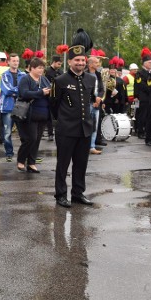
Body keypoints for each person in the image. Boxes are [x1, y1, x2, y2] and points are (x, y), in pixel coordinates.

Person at [52, 46, 96, 207]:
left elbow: (90, 100)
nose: (80, 62)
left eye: (83, 60)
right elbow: (54, 105)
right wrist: (64, 119)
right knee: (63, 164)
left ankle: (78, 193)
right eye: (77, 60)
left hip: (84, 128)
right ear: (69, 61)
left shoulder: (91, 79)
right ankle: (61, 195)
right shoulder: (60, 80)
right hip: (66, 129)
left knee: (81, 163)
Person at [16, 57, 51, 173]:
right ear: (32, 68)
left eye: (42, 68)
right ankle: (21, 160)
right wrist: (40, 93)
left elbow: (50, 90)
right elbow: (24, 93)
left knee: (37, 140)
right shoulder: (25, 79)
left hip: (43, 114)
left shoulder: (44, 79)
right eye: (39, 68)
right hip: (29, 114)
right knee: (31, 138)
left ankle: (31, 163)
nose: (41, 70)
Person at [0, 53, 25, 161]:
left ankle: (25, 153)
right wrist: (18, 91)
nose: (16, 63)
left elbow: (25, 89)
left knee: (23, 132)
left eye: (17, 61)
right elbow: (7, 90)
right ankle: (9, 153)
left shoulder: (23, 75)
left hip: (20, 107)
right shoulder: (4, 75)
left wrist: (16, 92)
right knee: (7, 132)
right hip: (7, 107)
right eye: (13, 61)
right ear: (8, 62)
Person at [87, 55, 104, 154]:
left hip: (97, 103)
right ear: (90, 64)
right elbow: (86, 90)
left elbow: (101, 89)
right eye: (96, 62)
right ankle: (84, 146)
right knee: (86, 125)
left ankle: (92, 146)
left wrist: (99, 99)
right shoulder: (85, 74)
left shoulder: (98, 74)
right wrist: (93, 100)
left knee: (95, 125)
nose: (98, 64)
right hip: (89, 103)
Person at [44, 55, 63, 140]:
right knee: (49, 116)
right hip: (49, 96)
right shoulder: (47, 71)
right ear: (54, 62)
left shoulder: (60, 71)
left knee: (59, 115)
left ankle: (59, 132)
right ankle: (50, 133)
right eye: (58, 64)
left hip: (58, 97)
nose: (59, 66)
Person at [134, 54, 151, 139]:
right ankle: (140, 131)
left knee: (149, 115)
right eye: (149, 62)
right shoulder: (140, 73)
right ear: (144, 63)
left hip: (150, 98)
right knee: (142, 115)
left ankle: (147, 131)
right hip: (143, 97)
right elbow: (140, 85)